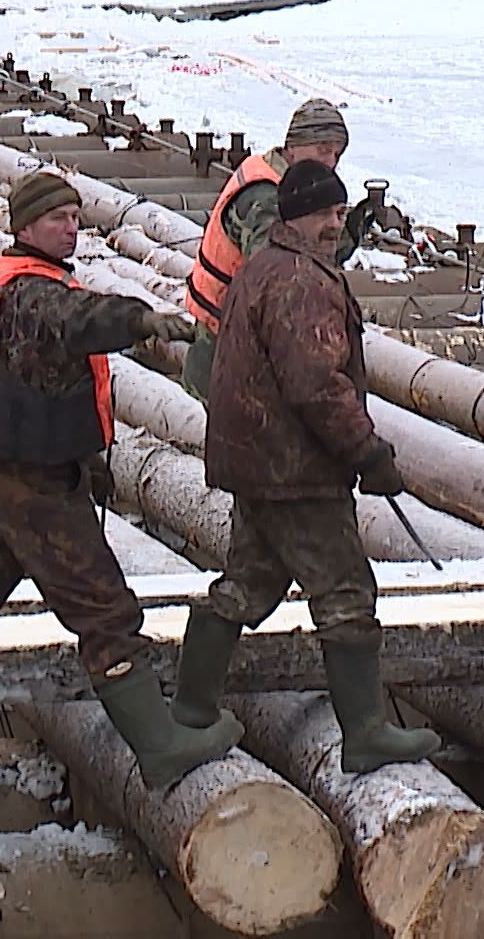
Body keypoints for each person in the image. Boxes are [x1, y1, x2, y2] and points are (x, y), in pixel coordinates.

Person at [0, 171, 243, 792]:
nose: (70, 228)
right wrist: (142, 321)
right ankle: (160, 747)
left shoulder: (20, 282)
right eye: (56, 219)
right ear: (24, 227)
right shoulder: (31, 295)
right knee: (104, 611)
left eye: (74, 217)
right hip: (34, 488)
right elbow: (78, 319)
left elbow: (50, 365)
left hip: (5, 478)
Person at [171, 161, 441, 773]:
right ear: (296, 216)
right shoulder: (301, 282)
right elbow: (317, 383)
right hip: (295, 468)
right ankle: (366, 733)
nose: (336, 225)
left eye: (341, 214)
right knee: (346, 592)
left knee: (248, 586)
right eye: (327, 214)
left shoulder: (266, 266)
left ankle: (191, 708)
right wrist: (366, 452)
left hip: (257, 462)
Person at [181, 97, 375, 401]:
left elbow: (305, 258)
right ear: (294, 146)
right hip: (225, 350)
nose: (331, 162)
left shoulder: (285, 183)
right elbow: (279, 278)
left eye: (337, 153)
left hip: (236, 338)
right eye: (323, 150)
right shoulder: (265, 197)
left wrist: (350, 230)